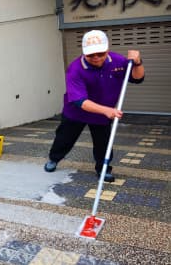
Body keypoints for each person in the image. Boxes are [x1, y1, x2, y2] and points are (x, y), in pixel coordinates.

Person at [44, 30, 145, 182]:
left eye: (100, 53)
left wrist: (138, 63)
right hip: (76, 112)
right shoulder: (75, 69)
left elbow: (138, 79)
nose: (96, 58)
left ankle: (103, 169)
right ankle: (54, 158)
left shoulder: (117, 61)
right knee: (64, 138)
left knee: (103, 142)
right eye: (91, 54)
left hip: (102, 114)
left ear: (107, 50)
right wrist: (107, 110)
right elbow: (79, 101)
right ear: (84, 53)